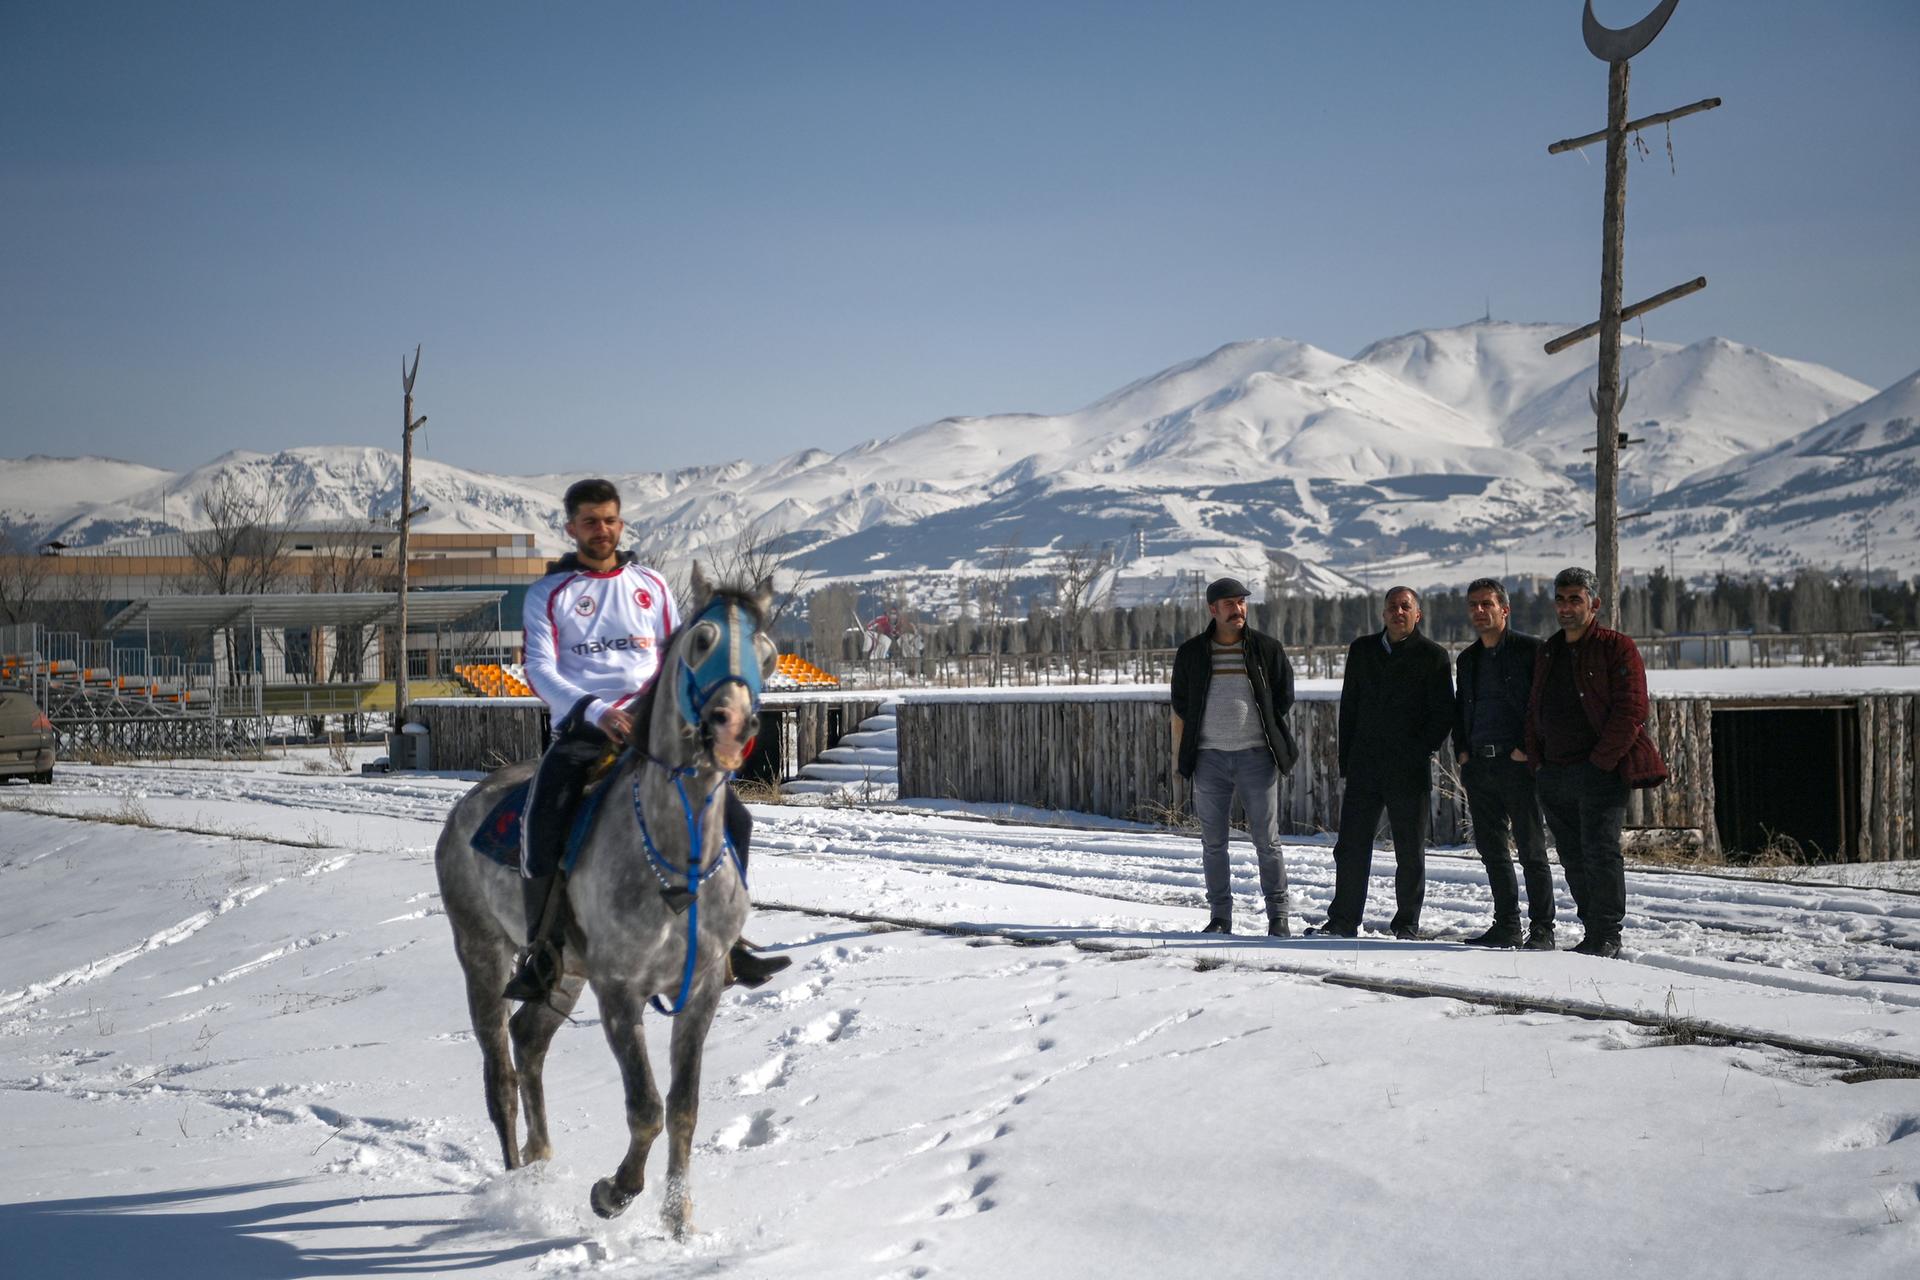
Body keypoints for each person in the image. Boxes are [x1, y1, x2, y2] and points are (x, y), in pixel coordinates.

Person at [506, 477, 790, 1001]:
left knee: (738, 818)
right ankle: (543, 949)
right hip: (586, 727)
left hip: (656, 729)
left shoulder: (653, 585)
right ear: (571, 528)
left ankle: (727, 939)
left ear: (621, 523)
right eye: (590, 521)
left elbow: (675, 659)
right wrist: (595, 710)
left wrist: (674, 711)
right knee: (543, 815)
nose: (602, 530)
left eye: (610, 519)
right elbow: (538, 669)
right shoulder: (549, 593)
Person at [1524, 567, 1668, 958]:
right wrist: (1538, 762)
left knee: (1601, 852)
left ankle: (1607, 934)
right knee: (1571, 855)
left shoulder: (1616, 647)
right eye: (1561, 599)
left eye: (1575, 599)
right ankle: (1591, 929)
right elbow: (1534, 707)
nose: (1567, 607)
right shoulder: (1549, 650)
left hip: (1599, 772)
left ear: (1594, 603)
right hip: (1555, 771)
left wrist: (1600, 763)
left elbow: (1632, 709)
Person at [1313, 586, 1453, 939]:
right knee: (1350, 847)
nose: (1398, 612)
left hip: (1408, 769)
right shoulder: (1362, 650)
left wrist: (1421, 750)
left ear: (1417, 614)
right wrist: (1347, 761)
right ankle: (1344, 920)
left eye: (1405, 607)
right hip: (1365, 766)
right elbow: (1350, 709)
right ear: (1383, 614)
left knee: (1409, 850)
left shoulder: (1432, 656)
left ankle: (1406, 922)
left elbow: (1442, 715)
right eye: (1392, 607)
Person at [1169, 576, 1300, 936]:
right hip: (1209, 757)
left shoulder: (1266, 649)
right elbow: (1181, 701)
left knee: (1267, 841)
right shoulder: (1193, 652)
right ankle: (1220, 917)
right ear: (1213, 609)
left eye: (1241, 602)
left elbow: (1283, 697)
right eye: (1229, 603)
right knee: (1213, 843)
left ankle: (1278, 917)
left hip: (1257, 757)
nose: (1238, 609)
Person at [1452, 578, 1554, 949]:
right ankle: (1507, 925)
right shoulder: (1468, 659)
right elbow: (1461, 707)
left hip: (1518, 765)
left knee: (1531, 849)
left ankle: (1543, 928)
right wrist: (1461, 751)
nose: (1479, 611)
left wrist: (1527, 749)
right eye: (1473, 605)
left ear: (1504, 610)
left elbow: (1542, 706)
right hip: (1479, 765)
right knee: (1492, 850)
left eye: (1487, 605)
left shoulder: (1530, 651)